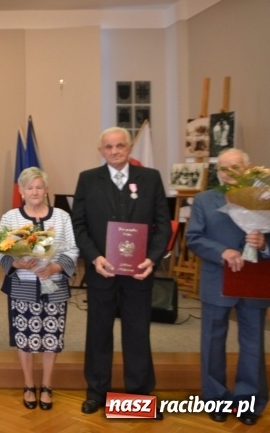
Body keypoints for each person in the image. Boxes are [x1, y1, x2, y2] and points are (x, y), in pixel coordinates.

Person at [71, 127, 171, 416]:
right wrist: (94, 258)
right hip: (103, 271)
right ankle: (97, 392)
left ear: (129, 148)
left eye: (120, 146)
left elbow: (163, 224)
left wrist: (152, 259)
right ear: (100, 150)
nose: (114, 151)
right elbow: (80, 225)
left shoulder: (150, 179)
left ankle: (139, 396)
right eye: (108, 147)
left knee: (137, 333)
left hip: (139, 272)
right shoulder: (88, 180)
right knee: (98, 332)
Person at [186, 148, 269, 426]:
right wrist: (222, 251)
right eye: (223, 168)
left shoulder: (266, 199)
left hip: (254, 281)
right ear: (217, 171)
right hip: (217, 279)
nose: (228, 172)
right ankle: (215, 399)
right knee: (212, 342)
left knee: (253, 343)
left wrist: (264, 244)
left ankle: (249, 401)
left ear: (249, 168)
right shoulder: (204, 200)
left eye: (235, 167)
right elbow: (194, 238)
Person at [0, 167, 79, 410]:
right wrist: (17, 262)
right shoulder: (10, 218)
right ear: (21, 191)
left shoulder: (62, 217)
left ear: (46, 190)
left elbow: (73, 249)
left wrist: (55, 268)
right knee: (25, 339)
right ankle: (29, 385)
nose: (35, 191)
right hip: (22, 287)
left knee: (51, 338)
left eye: (39, 187)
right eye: (29, 187)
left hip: (54, 287)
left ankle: (47, 386)